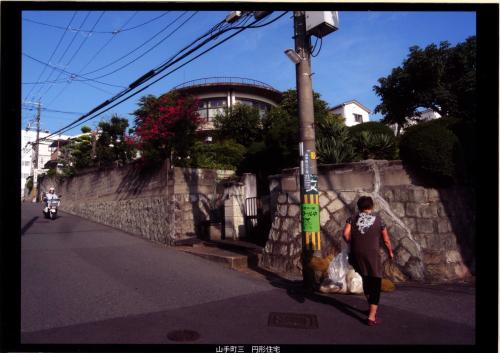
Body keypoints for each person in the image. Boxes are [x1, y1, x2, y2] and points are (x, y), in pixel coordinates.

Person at [343, 196, 394, 326]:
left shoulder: (352, 218)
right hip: (372, 256)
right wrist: (390, 252)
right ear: (371, 206)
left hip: (356, 255)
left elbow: (345, 234)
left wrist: (353, 244)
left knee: (366, 279)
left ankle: (370, 304)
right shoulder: (379, 220)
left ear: (359, 207)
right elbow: (386, 239)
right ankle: (371, 317)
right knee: (376, 282)